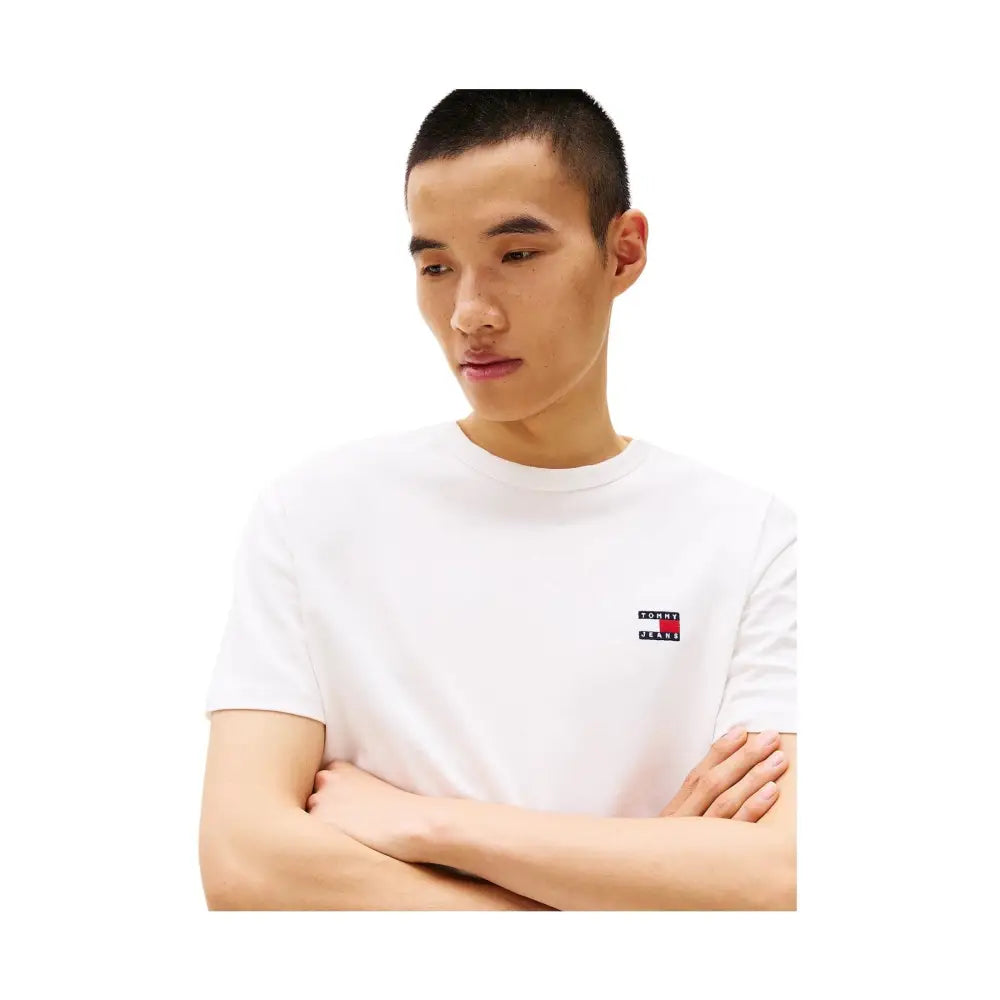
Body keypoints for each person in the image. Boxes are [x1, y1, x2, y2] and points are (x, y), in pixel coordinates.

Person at [199, 89, 796, 911]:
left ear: (623, 252)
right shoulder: (312, 518)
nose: (469, 314)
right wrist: (645, 897)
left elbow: (779, 875)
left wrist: (434, 826)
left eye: (517, 255)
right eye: (436, 266)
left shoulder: (750, 538)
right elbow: (245, 863)